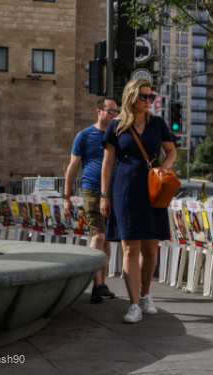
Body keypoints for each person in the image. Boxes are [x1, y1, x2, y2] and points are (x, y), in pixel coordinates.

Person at [100, 78, 176, 323]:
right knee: (130, 249)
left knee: (151, 250)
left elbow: (171, 150)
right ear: (131, 97)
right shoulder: (116, 126)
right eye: (143, 96)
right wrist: (104, 194)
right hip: (125, 191)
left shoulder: (157, 124)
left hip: (154, 192)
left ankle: (146, 294)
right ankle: (133, 304)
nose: (147, 101)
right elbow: (108, 162)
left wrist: (162, 170)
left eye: (150, 96)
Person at [64, 97, 120, 304]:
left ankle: (101, 283)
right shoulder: (85, 135)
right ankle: (95, 284)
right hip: (92, 190)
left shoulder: (117, 134)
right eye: (111, 111)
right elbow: (72, 167)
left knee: (106, 238)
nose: (115, 115)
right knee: (98, 235)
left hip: (114, 192)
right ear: (99, 111)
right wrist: (67, 197)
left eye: (116, 112)